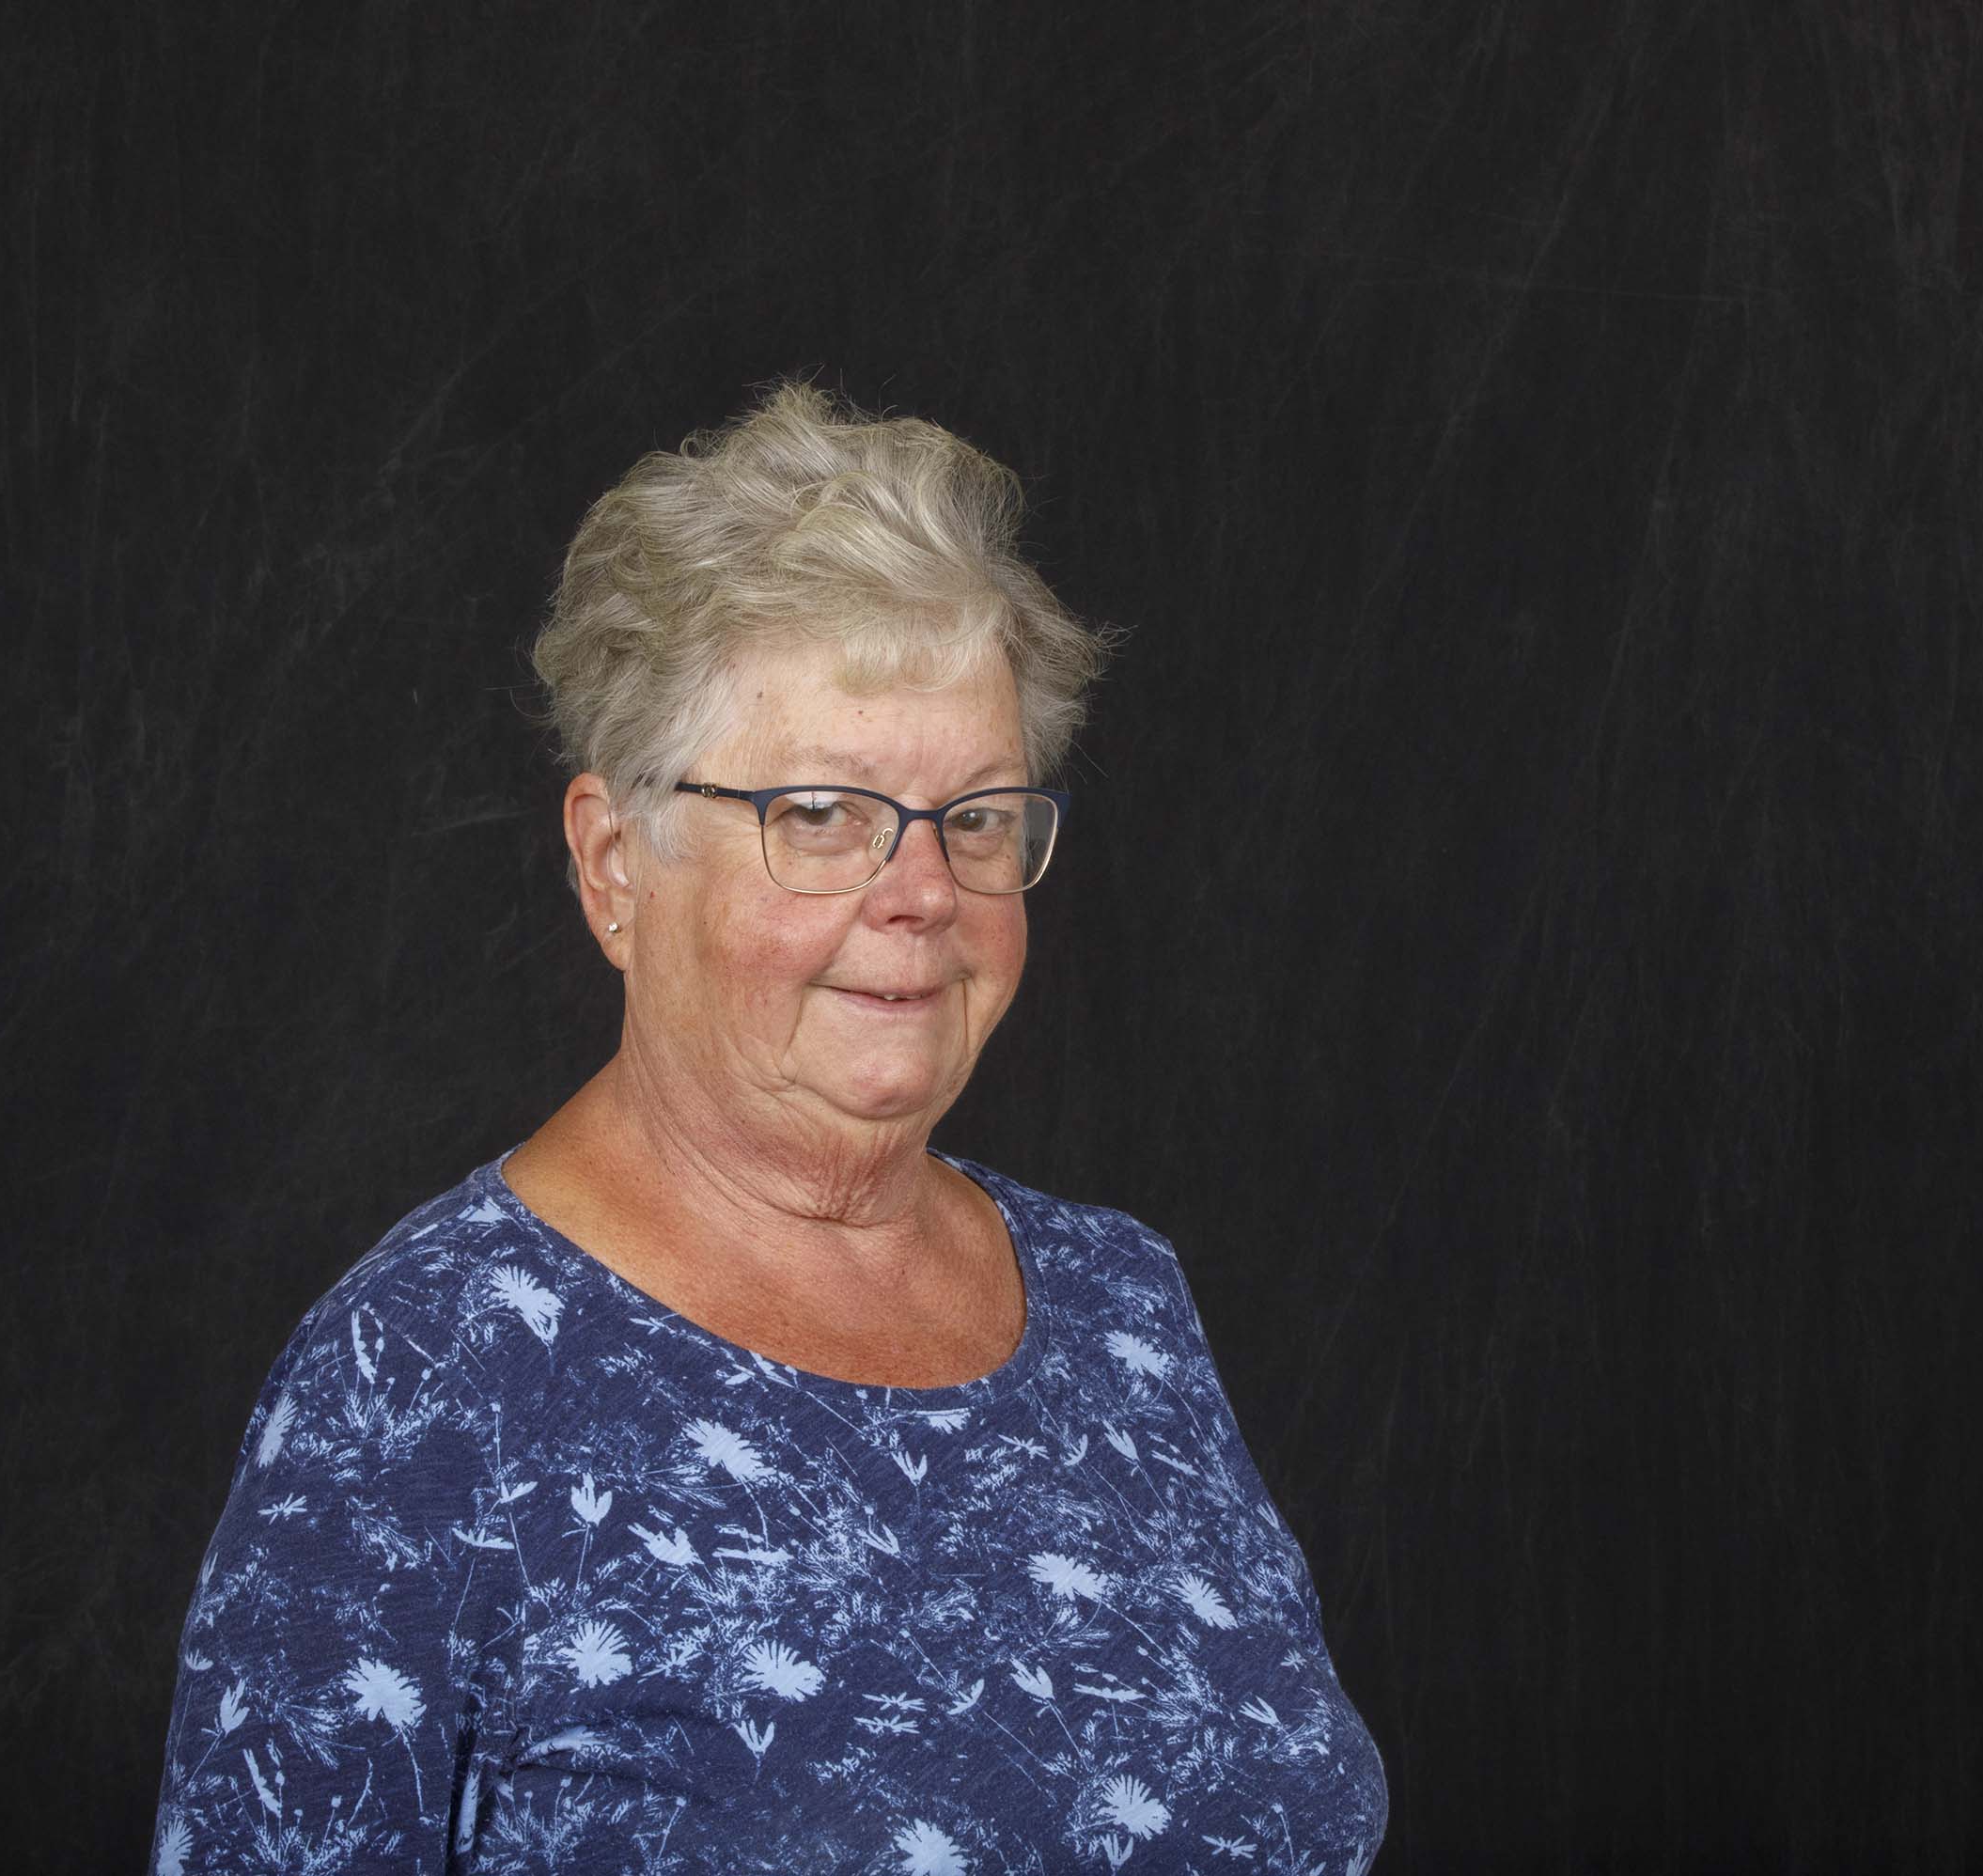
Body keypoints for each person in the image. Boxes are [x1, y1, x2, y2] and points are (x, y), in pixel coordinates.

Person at [148, 383, 1387, 1872]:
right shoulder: (419, 1387)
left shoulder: (1119, 1304)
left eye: (975, 817)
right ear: (614, 863)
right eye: (817, 815)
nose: (917, 893)